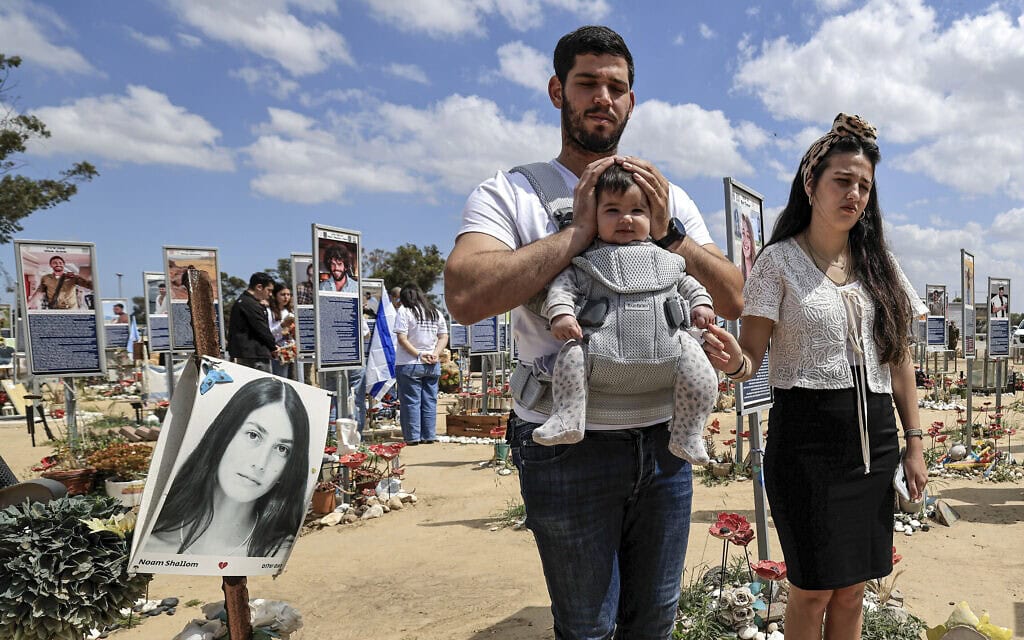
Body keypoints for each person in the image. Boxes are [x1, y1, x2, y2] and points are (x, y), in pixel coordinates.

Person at [444, 25, 743, 638]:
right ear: (558, 91)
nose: (602, 97)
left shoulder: (667, 198)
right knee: (586, 627)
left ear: (632, 101)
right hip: (566, 447)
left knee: (655, 621)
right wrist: (578, 235)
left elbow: (733, 295)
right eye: (587, 83)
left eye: (617, 86)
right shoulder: (512, 193)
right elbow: (466, 295)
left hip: (666, 441)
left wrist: (668, 234)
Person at [701, 113, 928, 639]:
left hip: (874, 444)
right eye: (842, 181)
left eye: (864, 186)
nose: (854, 194)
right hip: (805, 444)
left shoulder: (881, 265)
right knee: (811, 590)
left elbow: (898, 361)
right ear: (811, 185)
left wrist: (914, 442)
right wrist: (732, 361)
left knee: (853, 590)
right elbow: (752, 357)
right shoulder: (778, 262)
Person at [535, 163, 718, 464]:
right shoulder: (584, 261)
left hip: (671, 348)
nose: (626, 219)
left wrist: (701, 305)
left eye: (637, 211)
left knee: (702, 375)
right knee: (570, 357)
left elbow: (689, 284)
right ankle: (567, 418)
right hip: (597, 349)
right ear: (592, 216)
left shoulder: (669, 258)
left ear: (653, 217)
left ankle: (689, 433)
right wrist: (561, 314)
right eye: (612, 211)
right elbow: (562, 288)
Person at [144, 376, 310, 558]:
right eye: (253, 435)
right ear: (224, 434)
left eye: (281, 449)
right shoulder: (151, 545)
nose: (261, 463)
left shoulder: (279, 553)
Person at [394, 283, 448, 445]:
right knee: (430, 400)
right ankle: (429, 435)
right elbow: (443, 336)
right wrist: (435, 353)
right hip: (432, 363)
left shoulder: (404, 312)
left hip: (409, 363)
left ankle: (413, 437)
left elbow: (402, 338)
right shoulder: (435, 313)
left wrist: (418, 354)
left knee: (411, 401)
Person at [227, 273, 278, 372]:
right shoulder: (249, 304)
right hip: (255, 355)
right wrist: (273, 346)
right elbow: (261, 328)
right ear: (259, 287)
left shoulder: (244, 302)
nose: (270, 294)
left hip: (249, 353)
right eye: (269, 290)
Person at [27, 255, 94, 310]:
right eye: (55, 263)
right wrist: (27, 306)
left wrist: (78, 276)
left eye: (60, 263)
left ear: (63, 265)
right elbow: (39, 292)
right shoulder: (46, 278)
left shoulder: (72, 277)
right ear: (51, 265)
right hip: (54, 310)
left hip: (71, 310)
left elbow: (90, 286)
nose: (58, 264)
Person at [269, 282, 295, 378]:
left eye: (288, 294)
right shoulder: (270, 311)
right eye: (283, 294)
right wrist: (282, 325)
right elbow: (269, 333)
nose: (286, 297)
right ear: (275, 295)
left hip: (291, 350)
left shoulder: (290, 311)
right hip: (278, 352)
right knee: (281, 378)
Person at [739, 212, 756, 278]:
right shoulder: (738, 271)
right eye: (743, 234)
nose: (745, 241)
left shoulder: (760, 271)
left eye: (748, 236)